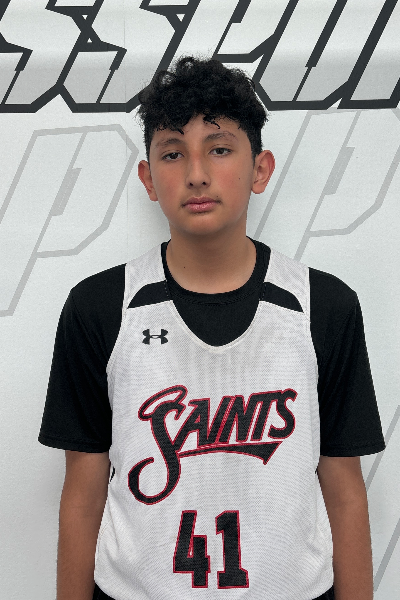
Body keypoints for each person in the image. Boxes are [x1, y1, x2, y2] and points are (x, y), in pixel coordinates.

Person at [39, 56, 385, 600]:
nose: (196, 173)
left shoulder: (325, 306)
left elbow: (344, 487)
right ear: (149, 179)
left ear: (260, 169)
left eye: (220, 149)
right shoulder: (100, 307)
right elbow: (83, 488)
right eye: (173, 153)